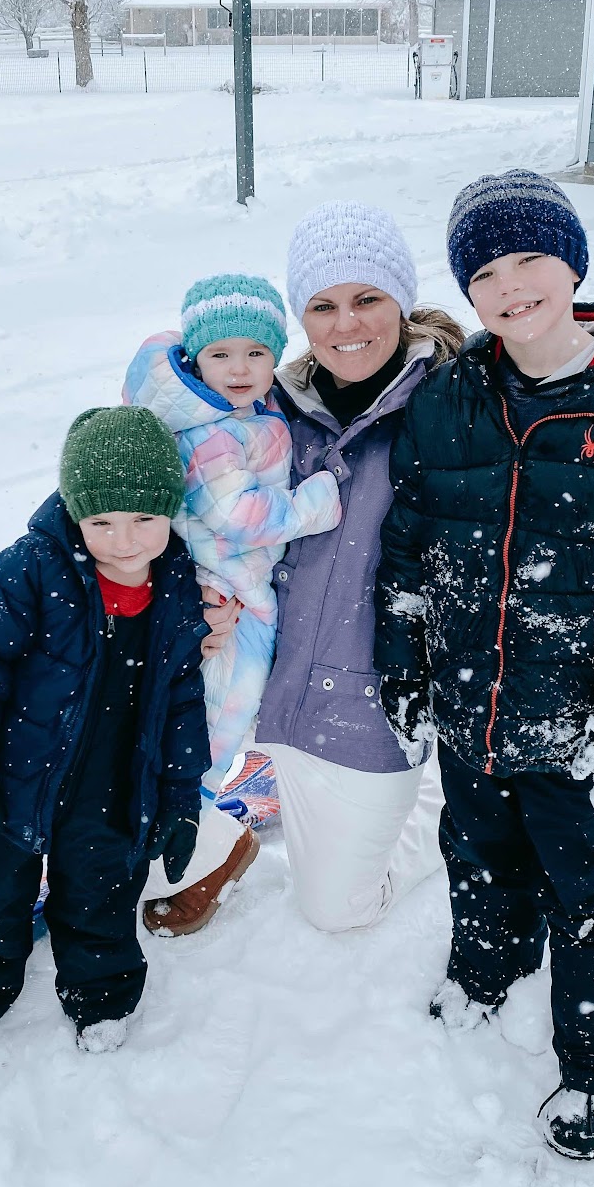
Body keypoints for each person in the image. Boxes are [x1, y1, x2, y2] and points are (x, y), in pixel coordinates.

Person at [374, 169, 594, 1159]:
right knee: (478, 851)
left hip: (580, 721)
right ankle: (486, 969)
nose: (509, 286)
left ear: (572, 266)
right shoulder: (448, 402)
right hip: (469, 699)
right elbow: (408, 548)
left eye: (529, 258)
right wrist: (404, 666)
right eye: (484, 272)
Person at [0, 405, 209, 1050]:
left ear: (170, 512)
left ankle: (102, 1000)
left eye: (144, 519)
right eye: (101, 521)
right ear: (75, 513)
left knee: (102, 894)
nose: (125, 541)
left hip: (113, 779)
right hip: (14, 772)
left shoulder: (176, 584)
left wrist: (179, 794)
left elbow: (182, 697)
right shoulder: (28, 571)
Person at [252, 201, 464, 933]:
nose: (347, 324)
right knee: (151, 848)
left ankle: (440, 799)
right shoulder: (270, 405)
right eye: (323, 306)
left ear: (401, 301)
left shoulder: (454, 409)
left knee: (337, 910)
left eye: (367, 298)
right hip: (259, 688)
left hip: (367, 705)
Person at [122, 274, 343, 934]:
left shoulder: (240, 410)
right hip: (227, 599)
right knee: (210, 729)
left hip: (238, 591)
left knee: (222, 721)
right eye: (221, 354)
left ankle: (194, 827)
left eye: (256, 352)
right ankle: (191, 847)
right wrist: (314, 503)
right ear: (196, 359)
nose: (240, 368)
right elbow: (237, 513)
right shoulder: (209, 431)